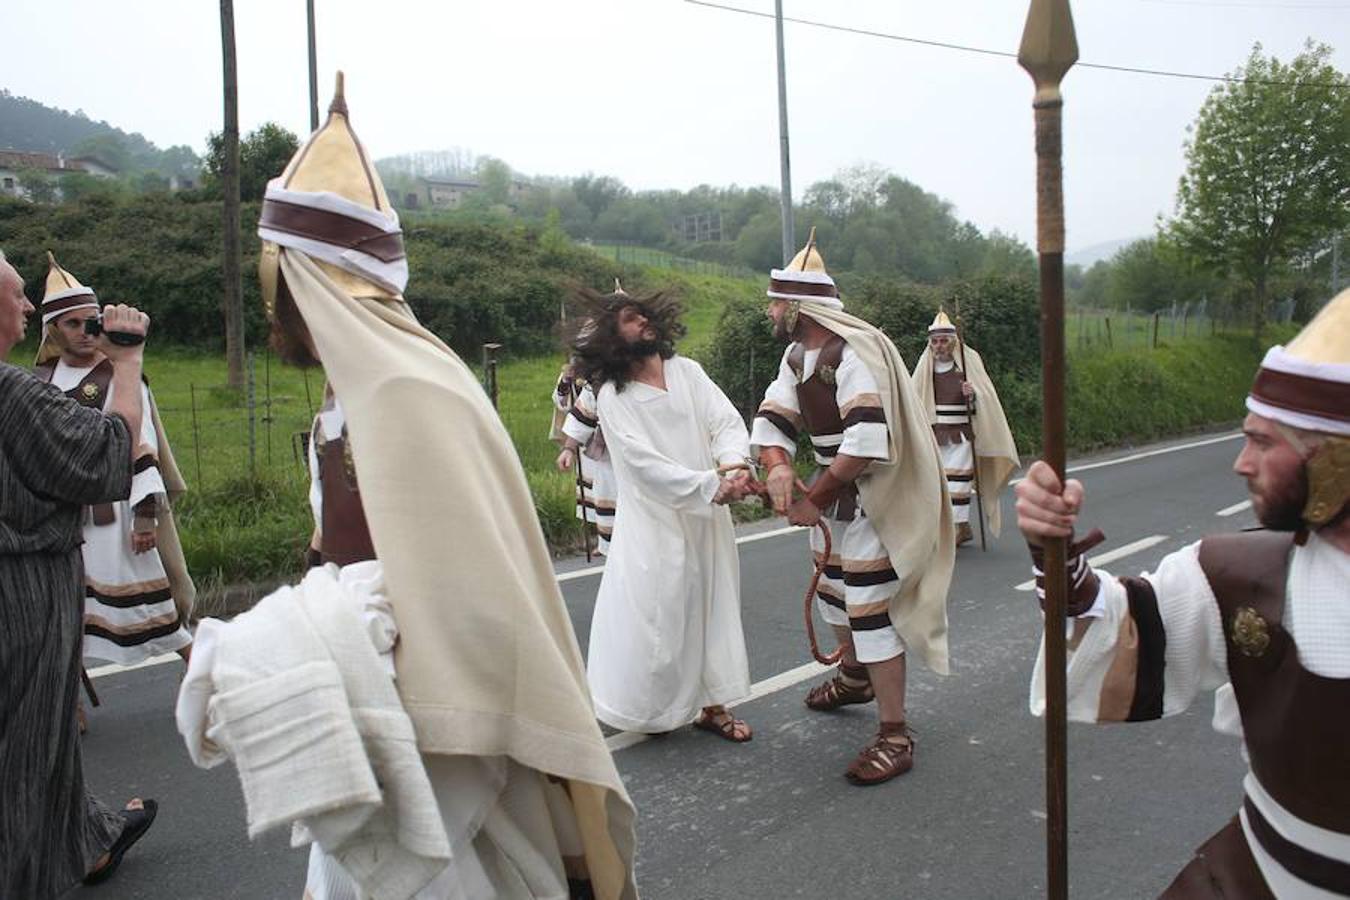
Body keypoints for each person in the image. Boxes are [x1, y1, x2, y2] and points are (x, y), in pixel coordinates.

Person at [177, 76, 636, 900]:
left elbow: (451, 597)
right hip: (373, 721)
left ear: (304, 280)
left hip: (428, 733)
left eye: (276, 283)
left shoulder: (405, 392)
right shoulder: (353, 388)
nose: (270, 308)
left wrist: (262, 648)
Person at [1017, 289, 1350, 897]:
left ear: (1337, 463)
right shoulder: (1240, 574)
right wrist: (1055, 553)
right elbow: (1124, 630)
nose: (1241, 463)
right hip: (1256, 880)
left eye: (1265, 442)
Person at [751, 231, 955, 785]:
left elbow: (865, 444)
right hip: (835, 500)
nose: (770, 311)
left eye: (776, 302)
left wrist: (810, 499)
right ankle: (855, 678)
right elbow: (774, 420)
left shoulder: (852, 354)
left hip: (873, 503)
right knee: (836, 600)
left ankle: (895, 732)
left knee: (870, 610)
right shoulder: (798, 356)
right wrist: (777, 466)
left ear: (798, 307)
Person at [0, 249, 158, 895]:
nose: (29, 308)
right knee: (26, 742)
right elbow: (104, 457)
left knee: (46, 729)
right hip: (21, 587)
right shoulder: (15, 391)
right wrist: (125, 361)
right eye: (16, 296)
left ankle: (87, 838)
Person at [567, 282, 755, 741]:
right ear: (613, 338)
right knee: (658, 617)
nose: (642, 322)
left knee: (709, 607)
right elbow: (642, 466)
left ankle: (713, 707)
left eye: (642, 314)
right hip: (654, 522)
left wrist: (733, 463)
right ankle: (651, 711)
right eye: (629, 319)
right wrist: (711, 485)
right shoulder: (616, 398)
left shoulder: (687, 371)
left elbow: (725, 420)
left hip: (706, 516)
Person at [33, 253, 194, 676]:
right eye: (73, 323)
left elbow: (141, 446)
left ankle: (205, 674)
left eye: (92, 321)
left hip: (118, 513)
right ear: (53, 329)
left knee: (157, 605)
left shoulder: (118, 375)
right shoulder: (39, 381)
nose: (86, 332)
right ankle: (74, 701)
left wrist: (145, 517)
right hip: (61, 518)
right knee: (67, 612)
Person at [910, 310, 1020, 546]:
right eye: (935, 341)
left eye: (943, 341)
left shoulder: (968, 363)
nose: (939, 346)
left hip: (961, 434)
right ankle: (960, 527)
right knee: (938, 484)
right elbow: (914, 398)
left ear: (952, 341)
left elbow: (986, 400)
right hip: (935, 434)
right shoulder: (925, 366)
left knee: (958, 484)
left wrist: (973, 395)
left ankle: (956, 530)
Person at [553, 345, 618, 555]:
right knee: (602, 491)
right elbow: (574, 407)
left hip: (631, 450)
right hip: (596, 447)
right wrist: (569, 448)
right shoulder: (593, 382)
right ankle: (607, 543)